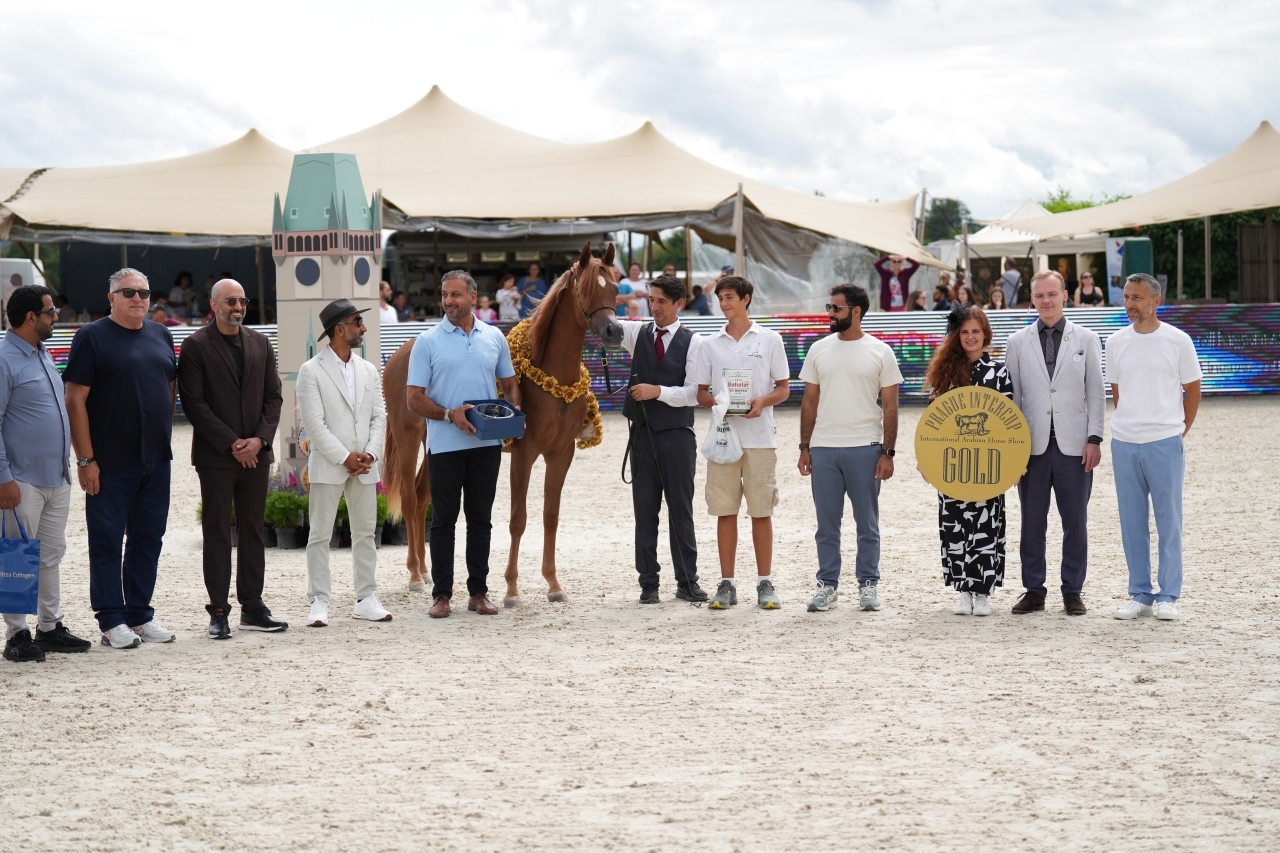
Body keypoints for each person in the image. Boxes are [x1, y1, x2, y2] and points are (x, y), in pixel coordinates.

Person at [64, 269, 178, 649]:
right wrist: (85, 460)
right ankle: (111, 620)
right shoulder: (91, 337)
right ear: (110, 297)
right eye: (128, 292)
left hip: (156, 459)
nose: (138, 299)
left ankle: (140, 615)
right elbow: (74, 399)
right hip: (109, 462)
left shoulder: (161, 335)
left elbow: (168, 383)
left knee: (148, 539)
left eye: (144, 293)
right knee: (107, 541)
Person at [406, 271, 520, 618]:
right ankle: (441, 595)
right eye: (444, 295)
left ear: (473, 297)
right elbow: (413, 399)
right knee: (443, 520)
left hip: (487, 444)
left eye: (455, 295)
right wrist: (448, 415)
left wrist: (513, 413)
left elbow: (510, 383)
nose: (448, 301)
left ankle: (479, 592)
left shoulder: (494, 337)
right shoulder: (427, 341)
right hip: (444, 444)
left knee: (481, 520)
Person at [177, 278, 286, 639]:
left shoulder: (260, 342)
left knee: (253, 530)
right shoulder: (195, 346)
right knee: (218, 532)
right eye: (229, 301)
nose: (237, 307)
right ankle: (219, 611)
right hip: (216, 457)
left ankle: (252, 607)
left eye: (242, 301)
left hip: (257, 454)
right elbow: (194, 403)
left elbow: (273, 397)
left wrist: (259, 440)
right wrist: (233, 444)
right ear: (214, 305)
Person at [0, 286, 91, 662]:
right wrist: (3, 478)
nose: (57, 317)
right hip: (20, 478)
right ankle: (17, 634)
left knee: (51, 553)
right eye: (51, 312)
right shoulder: (4, 359)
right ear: (31, 318)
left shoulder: (42, 354)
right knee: (17, 555)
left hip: (57, 475)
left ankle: (50, 627)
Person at [1006, 271, 1105, 616]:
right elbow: (1013, 400)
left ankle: (1072, 591)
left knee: (1074, 521)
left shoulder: (1087, 339)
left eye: (1052, 294)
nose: (1046, 301)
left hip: (1075, 446)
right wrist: (1013, 450)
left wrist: (1094, 438)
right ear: (1031, 299)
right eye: (1039, 295)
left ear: (1066, 295)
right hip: (1030, 449)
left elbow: (1096, 392)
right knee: (1032, 521)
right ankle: (1034, 590)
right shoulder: (1017, 342)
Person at [798, 284, 901, 613]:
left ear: (856, 312)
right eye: (829, 307)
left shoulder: (881, 351)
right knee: (826, 525)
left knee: (867, 525)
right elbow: (809, 402)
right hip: (824, 449)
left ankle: (868, 585)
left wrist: (888, 452)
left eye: (836, 308)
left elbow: (891, 408)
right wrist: (804, 447)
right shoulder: (818, 350)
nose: (830, 313)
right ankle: (827, 586)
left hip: (866, 449)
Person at [1108, 273, 1201, 621]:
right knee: (1132, 522)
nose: (1130, 304)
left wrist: (1177, 431)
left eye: (1137, 298)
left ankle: (1169, 595)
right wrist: (1132, 424)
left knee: (1169, 520)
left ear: (1155, 301)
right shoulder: (1116, 342)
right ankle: (1141, 593)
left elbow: (1193, 391)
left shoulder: (1178, 341)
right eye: (1128, 297)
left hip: (1164, 442)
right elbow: (1118, 392)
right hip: (1125, 442)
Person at [694, 276, 791, 610]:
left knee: (761, 511)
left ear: (746, 298)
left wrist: (761, 402)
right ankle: (727, 583)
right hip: (722, 438)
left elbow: (784, 388)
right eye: (720, 297)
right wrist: (720, 404)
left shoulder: (770, 339)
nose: (724, 303)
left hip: (761, 438)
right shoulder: (709, 344)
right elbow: (701, 393)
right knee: (725, 510)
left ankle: (765, 582)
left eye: (730, 297)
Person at [296, 299, 390, 627]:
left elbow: (380, 416)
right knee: (320, 534)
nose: (363, 327)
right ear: (339, 329)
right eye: (356, 322)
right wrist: (345, 457)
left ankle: (366, 598)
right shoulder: (311, 371)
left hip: (365, 464)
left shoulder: (369, 370)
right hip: (330, 465)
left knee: (365, 533)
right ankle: (318, 601)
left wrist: (371, 454)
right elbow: (315, 424)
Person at [620, 274, 707, 604]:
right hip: (641, 435)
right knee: (644, 512)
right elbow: (602, 325)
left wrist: (658, 392)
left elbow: (693, 394)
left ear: (678, 304)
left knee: (680, 511)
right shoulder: (637, 332)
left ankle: (687, 581)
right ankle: (648, 583)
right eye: (651, 300)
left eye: (660, 302)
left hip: (677, 436)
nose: (653, 307)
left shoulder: (694, 342)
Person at [925, 305, 1013, 616]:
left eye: (976, 331)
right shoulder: (945, 372)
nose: (970, 337)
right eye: (964, 332)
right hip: (952, 464)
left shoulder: (999, 373)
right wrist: (927, 461)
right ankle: (962, 590)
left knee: (986, 526)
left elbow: (1011, 421)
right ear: (957, 336)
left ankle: (983, 591)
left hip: (989, 465)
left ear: (985, 334)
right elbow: (932, 421)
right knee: (955, 525)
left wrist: (1014, 462)